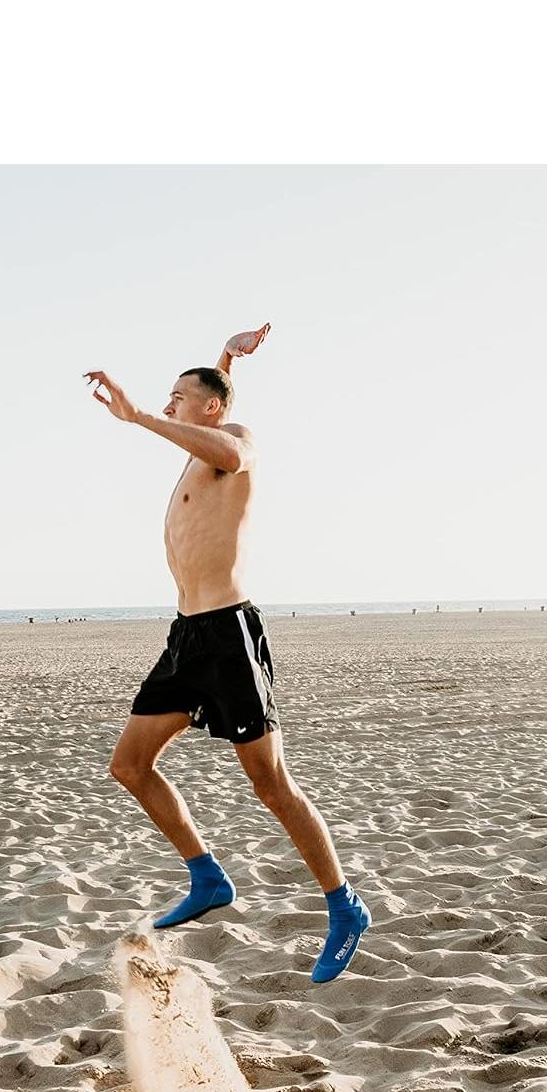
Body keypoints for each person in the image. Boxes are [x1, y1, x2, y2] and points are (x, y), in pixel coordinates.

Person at [85, 324, 372, 984]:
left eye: (179, 396)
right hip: (186, 638)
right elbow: (210, 412)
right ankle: (207, 877)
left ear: (210, 409)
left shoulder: (234, 446)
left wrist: (141, 418)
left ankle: (344, 905)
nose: (169, 404)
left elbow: (225, 441)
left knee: (270, 783)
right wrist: (224, 358)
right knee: (129, 765)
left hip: (230, 636)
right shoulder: (198, 447)